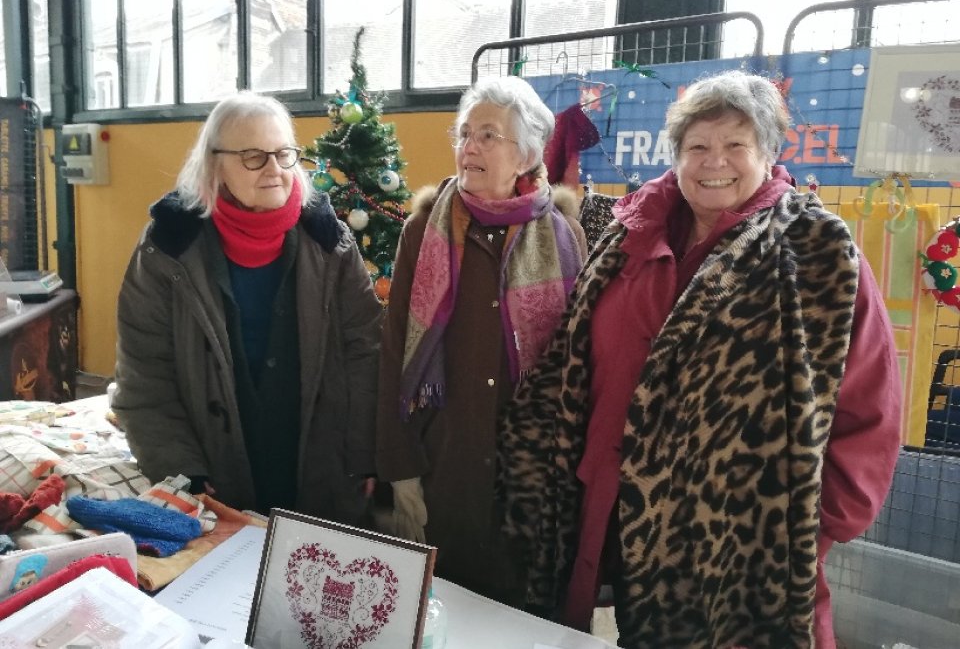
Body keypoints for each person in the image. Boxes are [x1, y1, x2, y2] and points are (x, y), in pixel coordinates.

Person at [499, 70, 902, 648]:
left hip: (729, 553)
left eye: (736, 145)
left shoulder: (817, 253)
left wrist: (800, 535)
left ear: (767, 152)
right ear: (677, 155)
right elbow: (572, 360)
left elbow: (871, 415)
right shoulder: (627, 236)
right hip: (599, 516)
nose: (716, 161)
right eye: (698, 147)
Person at [113, 91, 382, 525]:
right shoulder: (166, 250)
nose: (275, 169)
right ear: (215, 163)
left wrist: (365, 453)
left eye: (284, 154)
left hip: (320, 467)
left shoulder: (329, 242)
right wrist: (183, 472)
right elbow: (145, 377)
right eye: (254, 156)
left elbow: (366, 353)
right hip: (215, 476)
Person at [376, 75, 588, 607]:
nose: (468, 146)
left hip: (529, 477)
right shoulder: (424, 228)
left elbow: (576, 366)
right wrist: (400, 470)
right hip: (445, 463)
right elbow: (394, 347)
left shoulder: (565, 235)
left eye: (488, 135)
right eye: (464, 133)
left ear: (527, 155)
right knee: (438, 612)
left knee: (516, 615)